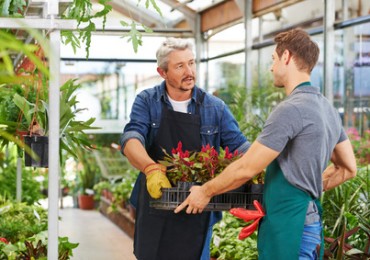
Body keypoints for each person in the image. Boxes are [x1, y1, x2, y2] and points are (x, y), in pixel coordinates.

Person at [175, 28, 357, 260]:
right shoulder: (327, 108)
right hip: (309, 222)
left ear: (286, 57)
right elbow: (348, 168)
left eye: (273, 59)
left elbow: (247, 167)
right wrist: (307, 186)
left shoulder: (290, 109)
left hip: (289, 224)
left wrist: (205, 190)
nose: (271, 67)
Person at [120, 37, 250, 260]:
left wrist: (264, 167)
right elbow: (131, 138)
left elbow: (241, 148)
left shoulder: (214, 107)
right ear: (162, 72)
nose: (189, 71)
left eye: (191, 63)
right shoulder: (147, 101)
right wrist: (150, 168)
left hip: (197, 206)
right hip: (156, 205)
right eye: (180, 66)